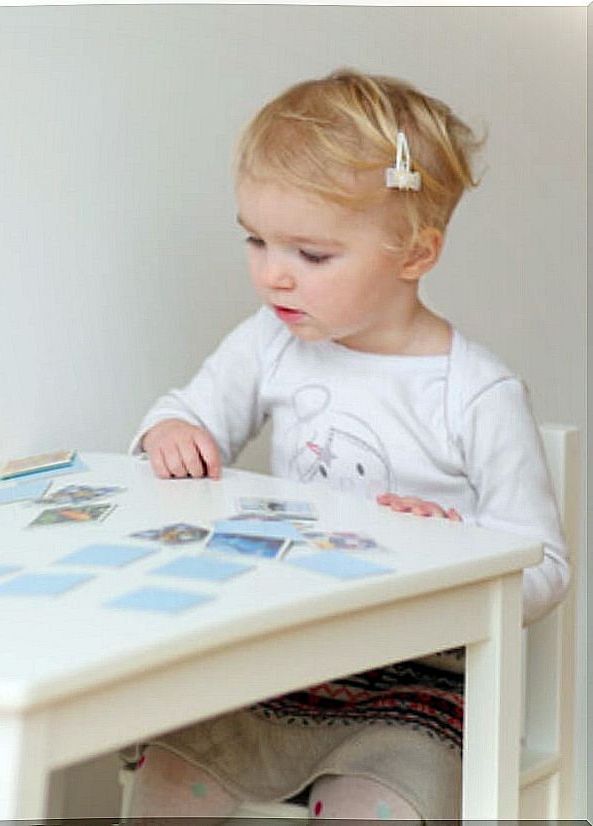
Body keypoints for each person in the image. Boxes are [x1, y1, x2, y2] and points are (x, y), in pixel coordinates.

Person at [125, 68, 569, 822]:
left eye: (312, 255)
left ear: (415, 255)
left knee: (375, 806)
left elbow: (546, 565)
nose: (272, 274)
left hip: (423, 686)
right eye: (257, 240)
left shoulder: (476, 392)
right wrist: (169, 432)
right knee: (170, 768)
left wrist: (458, 555)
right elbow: (183, 413)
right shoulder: (269, 343)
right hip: (285, 656)